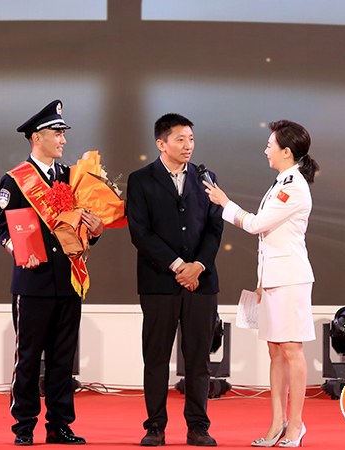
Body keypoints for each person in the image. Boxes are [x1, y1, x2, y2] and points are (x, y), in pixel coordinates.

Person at [0, 99, 104, 446]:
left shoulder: (72, 178)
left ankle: (60, 424)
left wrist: (95, 231)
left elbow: (81, 230)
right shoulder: (15, 180)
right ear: (36, 137)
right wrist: (18, 251)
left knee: (62, 360)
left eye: (63, 133)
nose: (63, 140)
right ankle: (24, 425)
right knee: (28, 359)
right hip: (33, 284)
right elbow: (2, 230)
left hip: (69, 282)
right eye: (57, 133)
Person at [204, 120, 318, 448]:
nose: (266, 150)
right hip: (273, 280)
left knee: (291, 349)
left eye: (270, 145)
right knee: (275, 350)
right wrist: (260, 281)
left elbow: (256, 225)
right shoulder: (281, 182)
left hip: (291, 280)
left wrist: (225, 203)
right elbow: (269, 239)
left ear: (287, 151)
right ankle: (277, 422)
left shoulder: (293, 187)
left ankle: (295, 425)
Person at [126, 113, 224, 447]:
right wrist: (180, 266)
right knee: (156, 358)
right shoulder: (141, 179)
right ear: (161, 143)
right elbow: (140, 232)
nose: (188, 146)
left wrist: (198, 266)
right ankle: (155, 425)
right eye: (180, 139)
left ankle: (198, 426)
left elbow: (214, 227)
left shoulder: (206, 178)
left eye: (191, 139)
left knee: (199, 359)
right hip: (159, 283)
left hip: (202, 282)